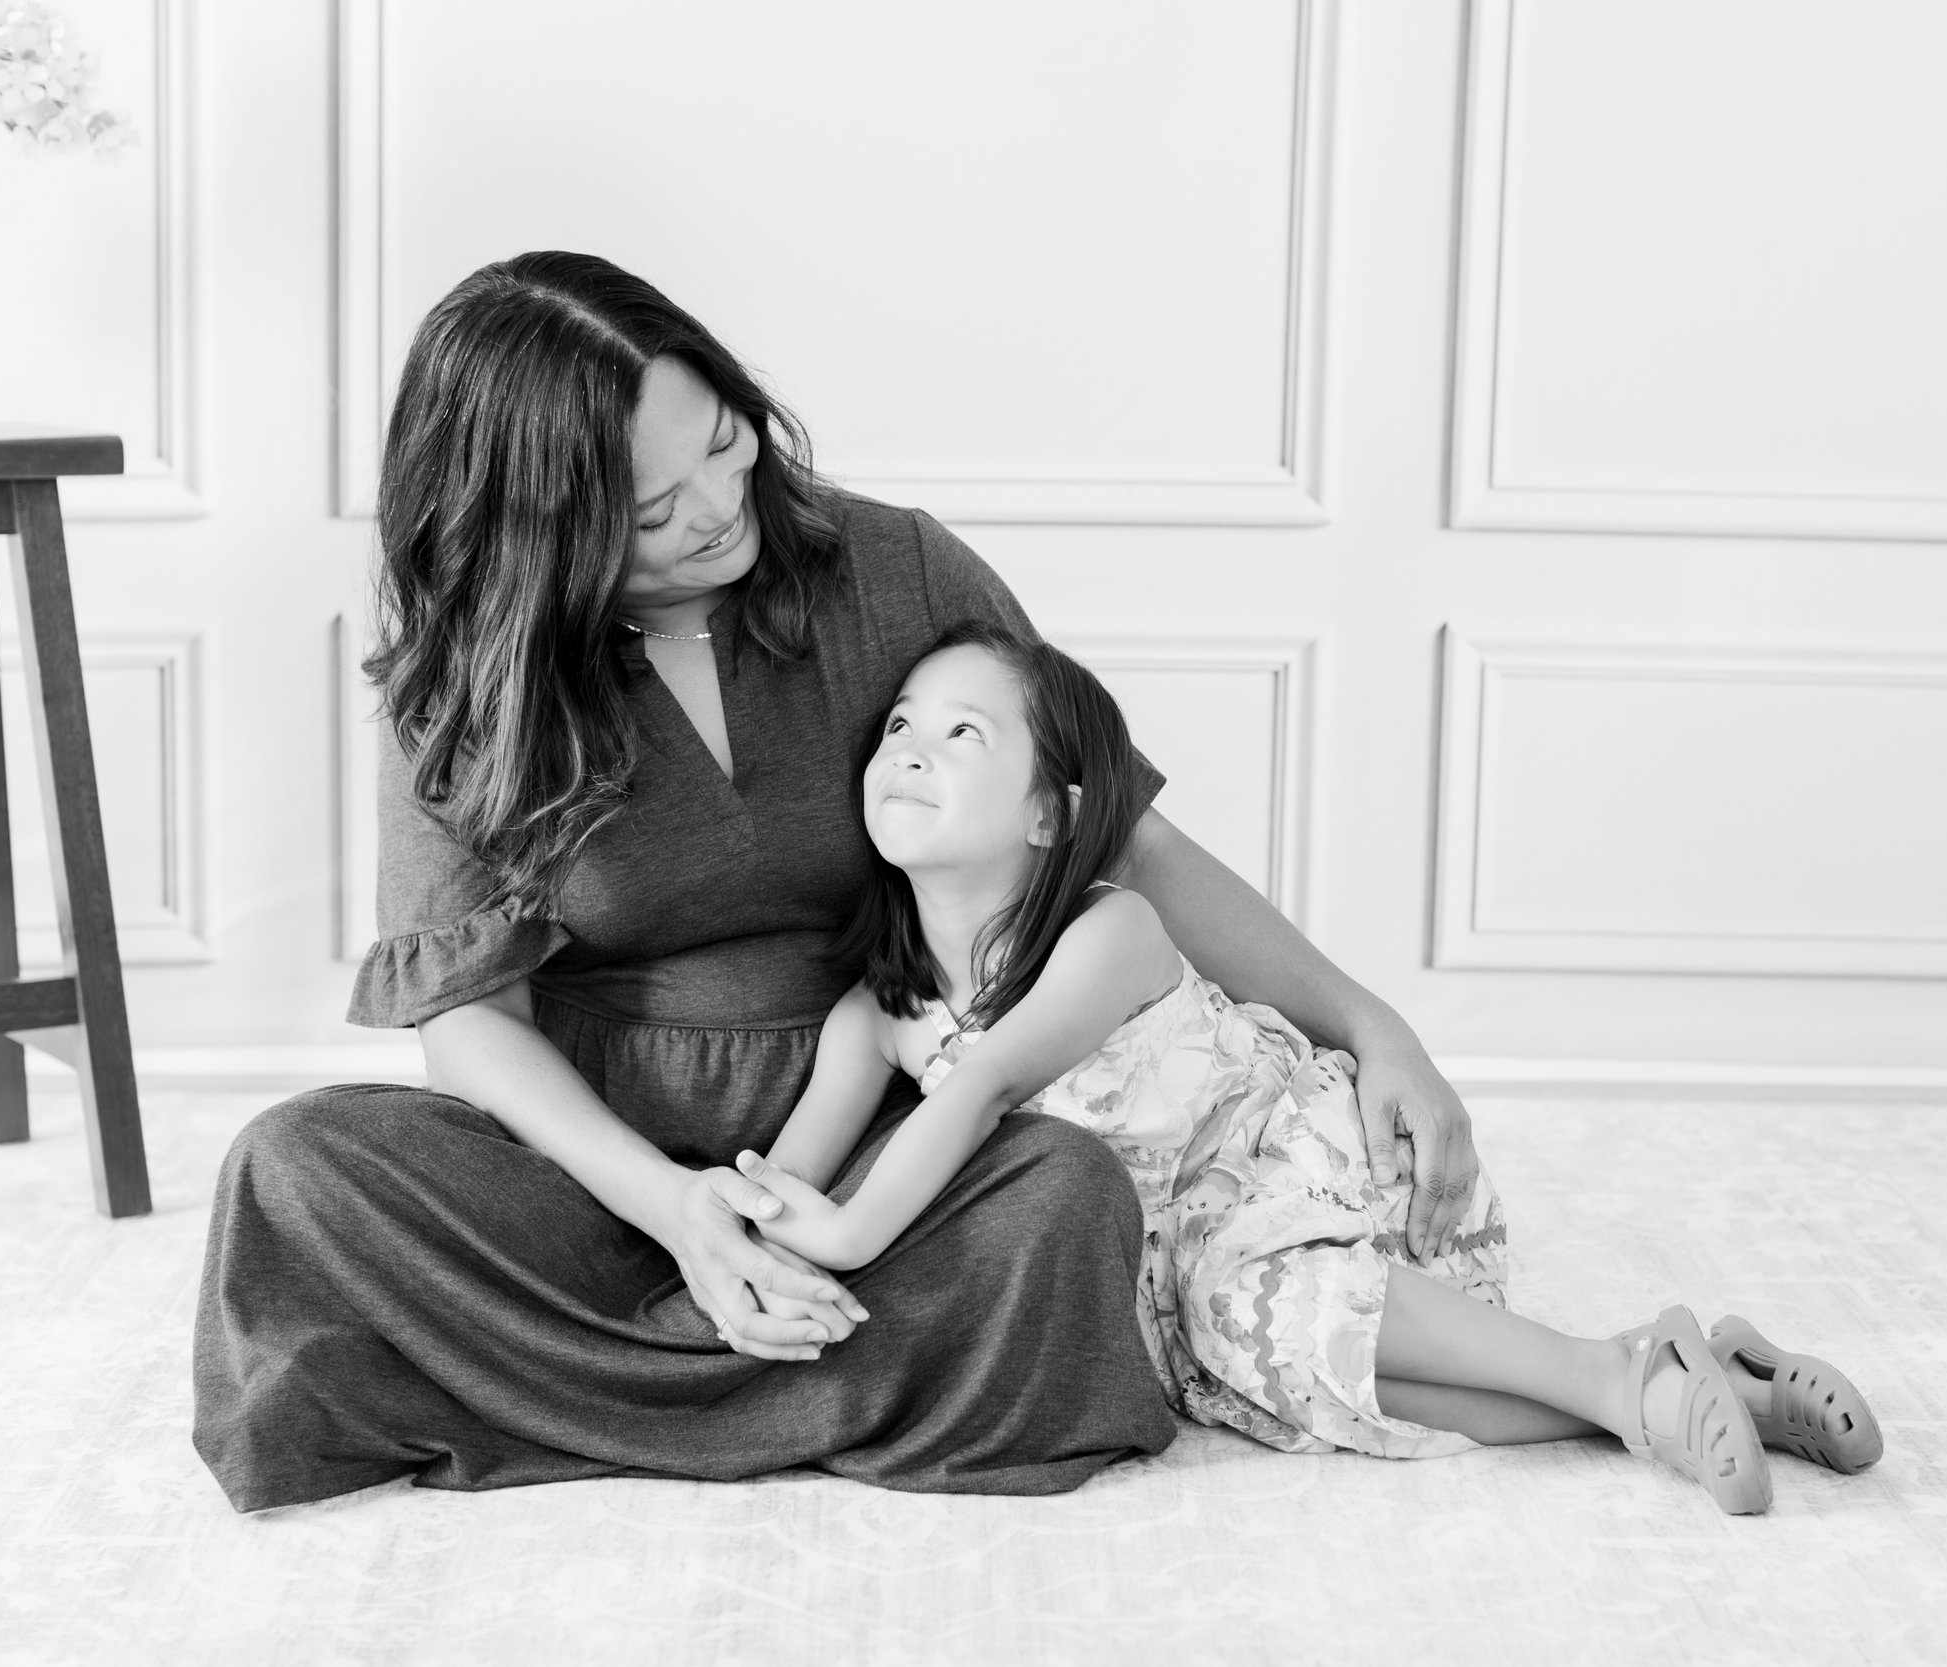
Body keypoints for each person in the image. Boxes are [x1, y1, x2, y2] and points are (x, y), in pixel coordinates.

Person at [191, 250, 1492, 1511]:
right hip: (599, 1170)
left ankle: (576, 1385)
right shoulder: (466, 679)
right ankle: (784, 1374)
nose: (716, 505)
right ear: (528, 537)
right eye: (651, 509)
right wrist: (682, 1210)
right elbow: (466, 1021)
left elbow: (1112, 832)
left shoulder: (895, 570)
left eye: (721, 442)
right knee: (290, 1170)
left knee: (1065, 1203)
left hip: (876, 1143)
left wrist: (1369, 1021)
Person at [733, 623, 1886, 1516]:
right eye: (896, 726)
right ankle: (1691, 1375)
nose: (909, 750)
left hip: (1309, 1173)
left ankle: (1632, 1378)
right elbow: (780, 1177)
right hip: (1191, 1274)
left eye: (962, 735)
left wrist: (844, 1236)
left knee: (1267, 1307)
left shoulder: (1109, 930)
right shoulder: (873, 1013)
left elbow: (983, 1083)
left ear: (1051, 813)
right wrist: (751, 1237)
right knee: (1328, 1385)